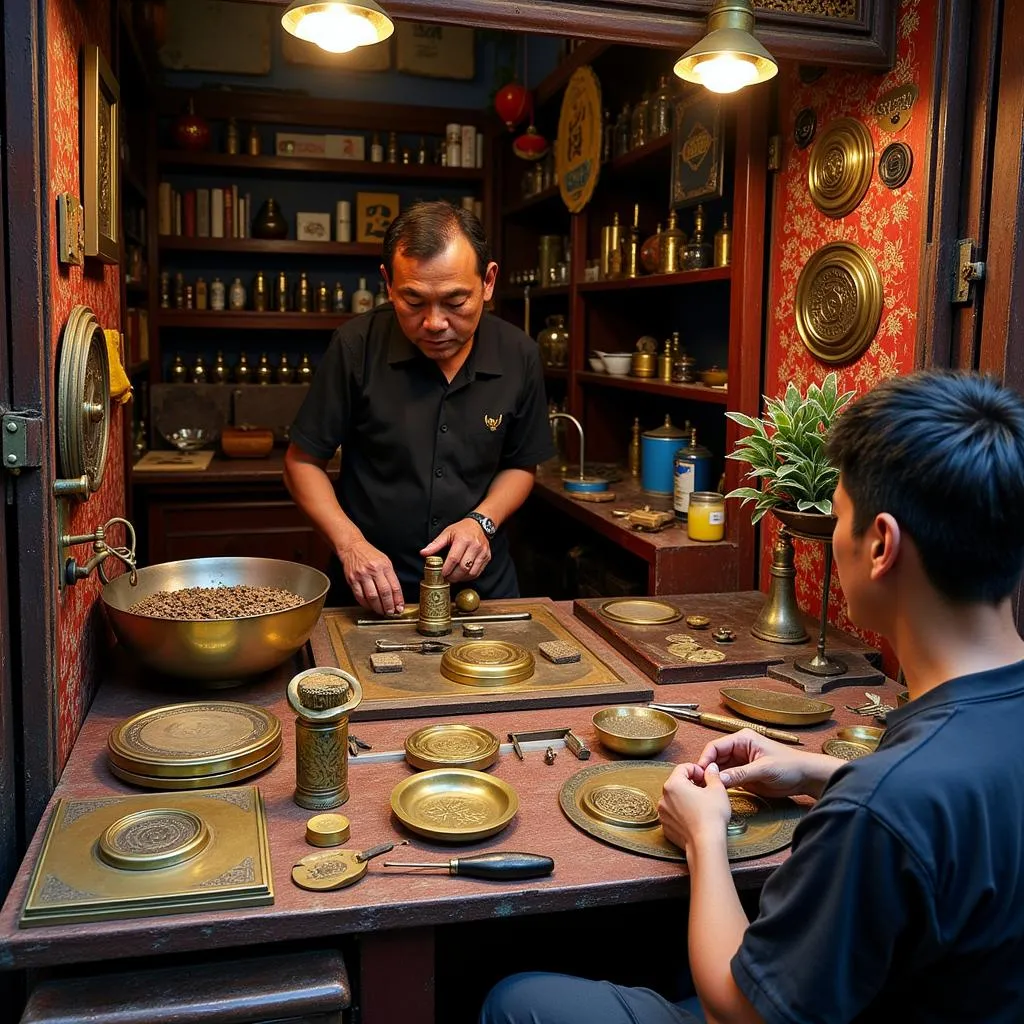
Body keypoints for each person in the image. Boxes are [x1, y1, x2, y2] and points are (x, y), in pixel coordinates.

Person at [481, 370, 1024, 1024]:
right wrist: (826, 773)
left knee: (516, 1001)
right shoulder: (931, 761)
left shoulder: (880, 809)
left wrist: (703, 837)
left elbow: (741, 1010)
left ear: (880, 545)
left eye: (839, 515)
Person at [284, 201, 554, 615]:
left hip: (481, 593)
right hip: (371, 594)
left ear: (488, 281)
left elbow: (521, 465)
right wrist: (351, 545)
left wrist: (482, 521)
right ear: (388, 284)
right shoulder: (356, 347)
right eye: (413, 301)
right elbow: (302, 463)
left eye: (455, 301)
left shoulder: (519, 354)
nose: (434, 323)